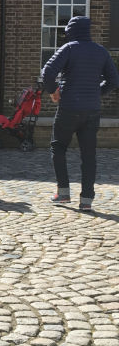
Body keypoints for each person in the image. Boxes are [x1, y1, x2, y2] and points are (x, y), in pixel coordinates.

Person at [41, 15, 119, 211]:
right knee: (89, 155)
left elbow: (48, 72)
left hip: (68, 108)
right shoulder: (101, 51)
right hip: (92, 110)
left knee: (58, 147)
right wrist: (96, 92)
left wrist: (53, 91)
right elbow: (114, 80)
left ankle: (63, 193)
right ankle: (86, 200)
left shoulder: (69, 48)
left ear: (71, 32)